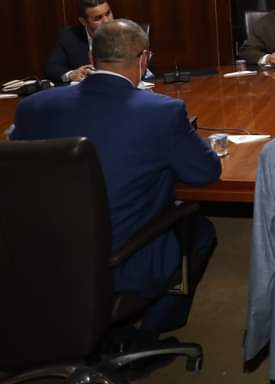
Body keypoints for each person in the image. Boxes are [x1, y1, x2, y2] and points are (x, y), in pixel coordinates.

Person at [13, 19, 220, 340]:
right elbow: (204, 172)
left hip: (36, 254)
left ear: (91, 58)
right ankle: (144, 334)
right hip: (119, 262)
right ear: (143, 59)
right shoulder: (162, 112)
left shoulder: (32, 107)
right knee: (200, 230)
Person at [45, 0, 115, 84]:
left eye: (108, 13)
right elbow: (52, 69)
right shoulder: (69, 37)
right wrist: (71, 74)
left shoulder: (126, 33)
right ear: (83, 22)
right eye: (98, 18)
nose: (106, 20)